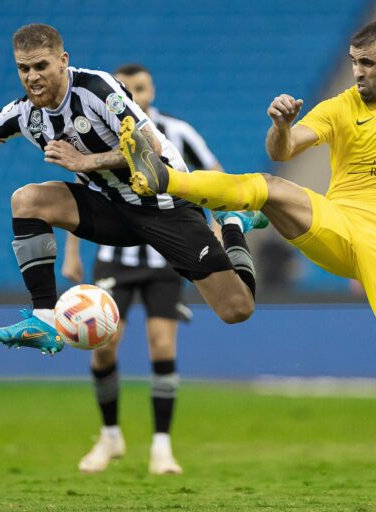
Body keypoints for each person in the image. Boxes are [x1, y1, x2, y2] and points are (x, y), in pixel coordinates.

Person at [118, 21, 376, 511]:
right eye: (352, 62)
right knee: (268, 181)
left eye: (366, 64)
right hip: (340, 223)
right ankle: (166, 180)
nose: (357, 72)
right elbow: (284, 150)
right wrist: (281, 125)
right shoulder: (340, 107)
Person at [0, 23, 266, 356]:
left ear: (63, 61)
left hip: (165, 203)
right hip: (111, 208)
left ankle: (232, 221)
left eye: (41, 66)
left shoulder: (98, 89)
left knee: (237, 309)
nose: (32, 77)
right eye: (23, 68)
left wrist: (85, 162)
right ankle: (44, 319)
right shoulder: (24, 114)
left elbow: (151, 150)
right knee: (27, 199)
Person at [62, 63, 223, 475]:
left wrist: (217, 225)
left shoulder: (175, 133)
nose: (137, 95)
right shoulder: (96, 132)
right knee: (104, 345)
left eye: (143, 88)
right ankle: (110, 434)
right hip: (116, 256)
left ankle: (162, 446)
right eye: (129, 88)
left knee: (163, 346)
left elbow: (214, 176)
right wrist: (73, 252)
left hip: (164, 257)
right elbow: (82, 196)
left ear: (151, 91)